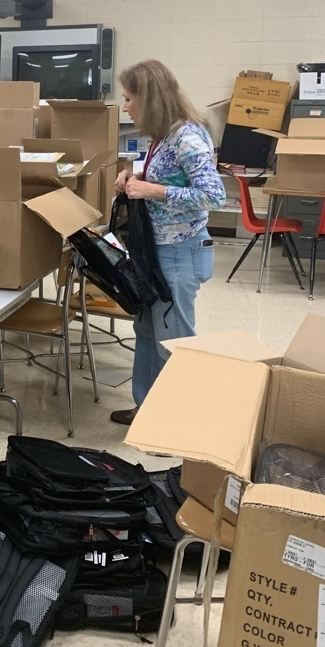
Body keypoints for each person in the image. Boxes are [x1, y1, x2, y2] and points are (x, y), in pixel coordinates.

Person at [109, 59, 226, 426]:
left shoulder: (188, 136)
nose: (125, 106)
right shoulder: (164, 135)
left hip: (180, 252)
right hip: (155, 252)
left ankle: (175, 422)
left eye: (129, 98)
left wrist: (152, 190)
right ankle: (148, 408)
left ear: (150, 97)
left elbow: (213, 196)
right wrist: (136, 178)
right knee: (147, 329)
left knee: (172, 337)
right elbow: (168, 179)